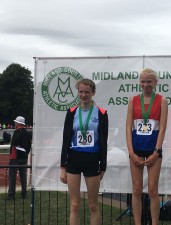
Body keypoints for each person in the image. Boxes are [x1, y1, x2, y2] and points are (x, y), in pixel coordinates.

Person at [60, 78, 108, 225]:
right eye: (80, 91)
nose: (83, 95)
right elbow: (66, 140)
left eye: (87, 92)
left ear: (93, 92)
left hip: (92, 159)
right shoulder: (71, 112)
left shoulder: (101, 113)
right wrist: (63, 166)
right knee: (74, 205)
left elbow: (103, 142)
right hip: (74, 159)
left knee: (93, 205)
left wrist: (103, 166)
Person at [126, 68, 168, 225]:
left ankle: (154, 223)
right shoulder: (133, 101)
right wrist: (131, 152)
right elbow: (128, 127)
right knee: (136, 190)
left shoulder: (162, 100)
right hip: (136, 149)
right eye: (143, 81)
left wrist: (156, 151)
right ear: (139, 83)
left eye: (149, 81)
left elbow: (162, 128)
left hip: (153, 150)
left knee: (152, 190)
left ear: (155, 82)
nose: (146, 84)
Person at [8, 116, 32, 199]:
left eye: (15, 122)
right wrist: (25, 154)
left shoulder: (17, 132)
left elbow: (15, 143)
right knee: (23, 177)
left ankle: (11, 195)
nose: (15, 123)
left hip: (15, 158)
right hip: (24, 158)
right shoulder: (27, 133)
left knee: (12, 177)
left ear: (18, 123)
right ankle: (24, 193)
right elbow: (29, 146)